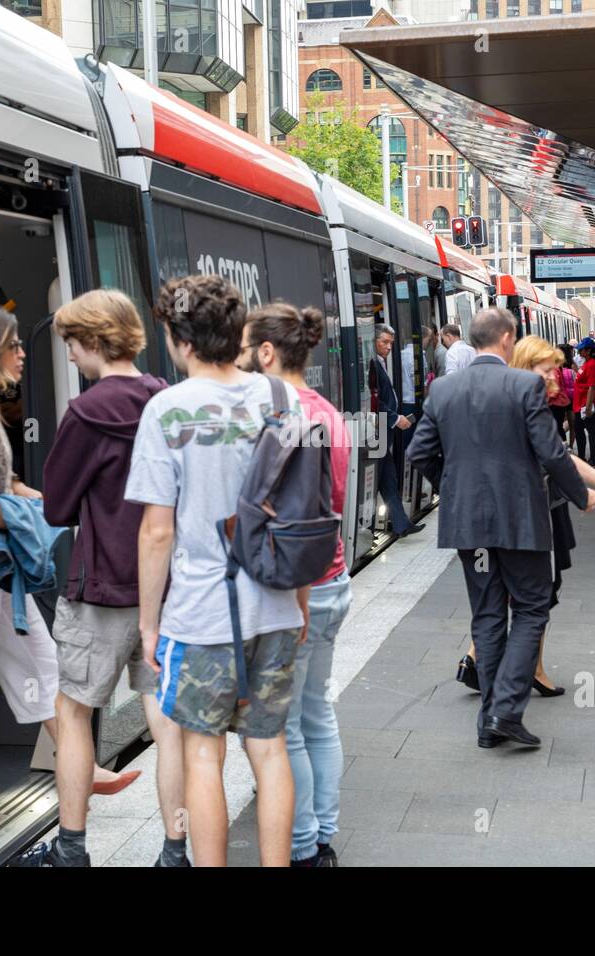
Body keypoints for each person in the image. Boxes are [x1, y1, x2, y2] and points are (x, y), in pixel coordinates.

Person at [127, 274, 307, 868]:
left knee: (203, 755)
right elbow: (300, 514)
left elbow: (157, 531)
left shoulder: (166, 410)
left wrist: (150, 627)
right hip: (275, 608)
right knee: (270, 750)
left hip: (200, 613)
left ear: (179, 339)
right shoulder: (281, 401)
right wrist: (299, 603)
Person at [0, 308, 126, 799]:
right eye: (14, 345)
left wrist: (40, 497)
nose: (23, 353)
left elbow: (1, 485)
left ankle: (80, 766)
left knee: (35, 663)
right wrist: (43, 517)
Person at [8, 291, 161, 867]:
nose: (69, 355)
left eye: (72, 344)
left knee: (73, 714)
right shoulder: (164, 401)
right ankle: (177, 846)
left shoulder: (87, 412)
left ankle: (70, 850)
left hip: (99, 589)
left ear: (94, 341)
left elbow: (58, 508)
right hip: (161, 590)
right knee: (164, 717)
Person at [408, 310, 595, 750]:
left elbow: (420, 453)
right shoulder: (524, 385)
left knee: (488, 614)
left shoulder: (444, 390)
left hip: (468, 525)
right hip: (519, 520)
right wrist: (580, 495)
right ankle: (505, 711)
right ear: (508, 338)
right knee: (531, 607)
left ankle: (489, 720)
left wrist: (453, 491)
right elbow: (551, 454)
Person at [455, 336, 595, 697]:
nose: (555, 373)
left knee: (515, 590)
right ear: (526, 369)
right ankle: (523, 671)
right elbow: (560, 459)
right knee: (538, 593)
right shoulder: (527, 406)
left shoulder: (510, 402)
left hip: (516, 512)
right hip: (537, 512)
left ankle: (484, 660)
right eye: (546, 368)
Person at [239, 302, 352, 868]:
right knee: (317, 711)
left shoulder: (272, 414)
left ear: (266, 351)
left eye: (244, 348)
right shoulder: (329, 413)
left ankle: (304, 845)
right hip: (333, 577)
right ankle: (322, 833)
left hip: (295, 588)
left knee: (285, 729)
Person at [371, 324, 425, 538]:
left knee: (388, 478)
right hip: (380, 428)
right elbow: (376, 402)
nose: (389, 347)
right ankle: (368, 522)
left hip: (385, 431)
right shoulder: (372, 364)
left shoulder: (381, 362)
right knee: (382, 477)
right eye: (384, 342)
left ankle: (401, 524)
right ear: (373, 340)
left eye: (391, 343)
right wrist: (395, 418)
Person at [573, 337, 595, 467]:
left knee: (589, 431)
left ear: (587, 351)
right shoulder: (587, 364)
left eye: (581, 350)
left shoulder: (592, 365)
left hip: (585, 404)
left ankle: (591, 459)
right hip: (580, 403)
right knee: (581, 430)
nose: (579, 352)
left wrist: (587, 407)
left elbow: (592, 387)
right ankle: (584, 458)